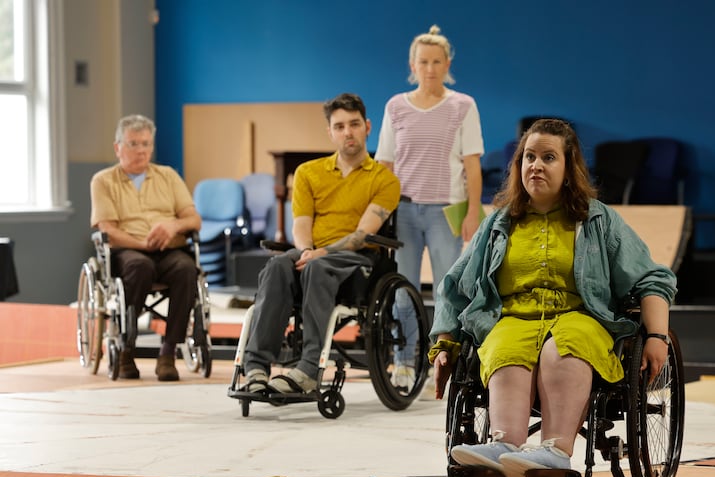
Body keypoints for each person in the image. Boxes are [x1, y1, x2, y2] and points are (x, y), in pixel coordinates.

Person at [428, 119, 677, 477]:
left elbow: (651, 277)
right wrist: (445, 344)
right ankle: (503, 446)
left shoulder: (597, 220)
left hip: (580, 316)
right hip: (513, 317)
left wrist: (657, 336)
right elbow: (456, 286)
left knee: (564, 345)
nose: (536, 166)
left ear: (568, 166)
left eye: (548, 157)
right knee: (505, 344)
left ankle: (556, 452)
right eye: (529, 157)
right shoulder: (499, 223)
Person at [241, 93, 401, 395]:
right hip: (312, 251)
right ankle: (256, 367)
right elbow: (300, 224)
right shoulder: (308, 173)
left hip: (357, 258)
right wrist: (306, 252)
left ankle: (308, 368)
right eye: (339, 126)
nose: (347, 132)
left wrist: (320, 254)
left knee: (318, 267)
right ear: (330, 132)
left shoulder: (385, 179)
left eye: (354, 124)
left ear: (367, 127)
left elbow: (363, 234)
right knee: (277, 266)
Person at [375, 24, 484, 389]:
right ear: (413, 64)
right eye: (424, 61)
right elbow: (385, 165)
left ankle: (444, 360)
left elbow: (472, 165)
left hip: (445, 212)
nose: (431, 68)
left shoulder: (463, 106)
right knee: (403, 290)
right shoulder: (395, 107)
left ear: (447, 63)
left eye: (437, 61)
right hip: (402, 211)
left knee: (446, 291)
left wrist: (472, 213)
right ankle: (405, 360)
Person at [90, 114, 202, 381]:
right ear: (118, 147)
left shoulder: (168, 176)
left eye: (146, 144)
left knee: (187, 269)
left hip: (168, 249)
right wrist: (141, 244)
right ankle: (126, 348)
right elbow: (107, 229)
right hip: (127, 250)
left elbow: (193, 218)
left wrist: (173, 227)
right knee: (140, 266)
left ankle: (168, 351)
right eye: (133, 144)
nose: (140, 150)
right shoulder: (103, 181)